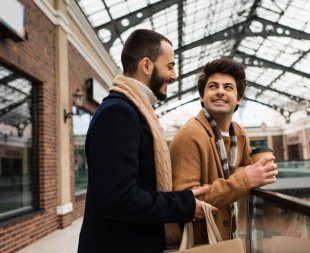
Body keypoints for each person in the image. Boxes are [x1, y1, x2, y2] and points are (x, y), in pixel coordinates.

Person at [77, 29, 216, 253]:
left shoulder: (132, 111)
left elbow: (141, 185)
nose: (174, 75)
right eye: (170, 66)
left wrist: (183, 197)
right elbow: (118, 199)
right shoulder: (118, 113)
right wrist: (183, 205)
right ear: (147, 66)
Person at [169, 58, 278, 244]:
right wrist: (246, 179)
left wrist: (250, 173)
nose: (220, 91)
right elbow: (187, 201)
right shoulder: (189, 135)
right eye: (213, 86)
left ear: (239, 98)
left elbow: (243, 168)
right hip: (199, 242)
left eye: (228, 87)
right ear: (202, 96)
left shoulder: (239, 134)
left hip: (230, 237)